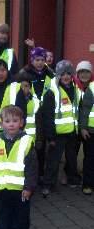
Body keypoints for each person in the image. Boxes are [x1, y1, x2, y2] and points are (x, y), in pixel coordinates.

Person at [0, 105, 37, 229]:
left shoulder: (27, 141)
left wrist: (29, 187)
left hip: (21, 189)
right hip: (2, 187)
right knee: (4, 213)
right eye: (7, 121)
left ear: (21, 123)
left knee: (21, 214)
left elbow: (32, 167)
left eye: (15, 120)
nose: (12, 124)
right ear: (1, 124)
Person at [42, 60, 82, 197]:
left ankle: (73, 179)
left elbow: (78, 110)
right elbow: (47, 116)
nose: (66, 76)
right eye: (63, 74)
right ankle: (48, 184)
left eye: (68, 73)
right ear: (58, 75)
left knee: (71, 159)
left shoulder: (76, 89)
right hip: (57, 134)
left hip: (72, 132)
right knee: (53, 161)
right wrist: (50, 136)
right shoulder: (52, 92)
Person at [18, 47, 54, 183]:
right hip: (31, 109)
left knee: (41, 145)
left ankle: (39, 174)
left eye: (42, 60)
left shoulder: (49, 74)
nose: (39, 62)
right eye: (37, 60)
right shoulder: (25, 73)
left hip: (45, 110)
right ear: (32, 60)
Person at [0, 59, 27, 138]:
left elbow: (23, 112)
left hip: (14, 135)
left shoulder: (16, 87)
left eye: (3, 70)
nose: (0, 73)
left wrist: (20, 131)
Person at [78, 62, 94, 195]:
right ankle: (87, 184)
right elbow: (85, 110)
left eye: (87, 71)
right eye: (82, 71)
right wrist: (83, 128)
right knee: (89, 158)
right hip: (90, 130)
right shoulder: (92, 88)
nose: (84, 74)